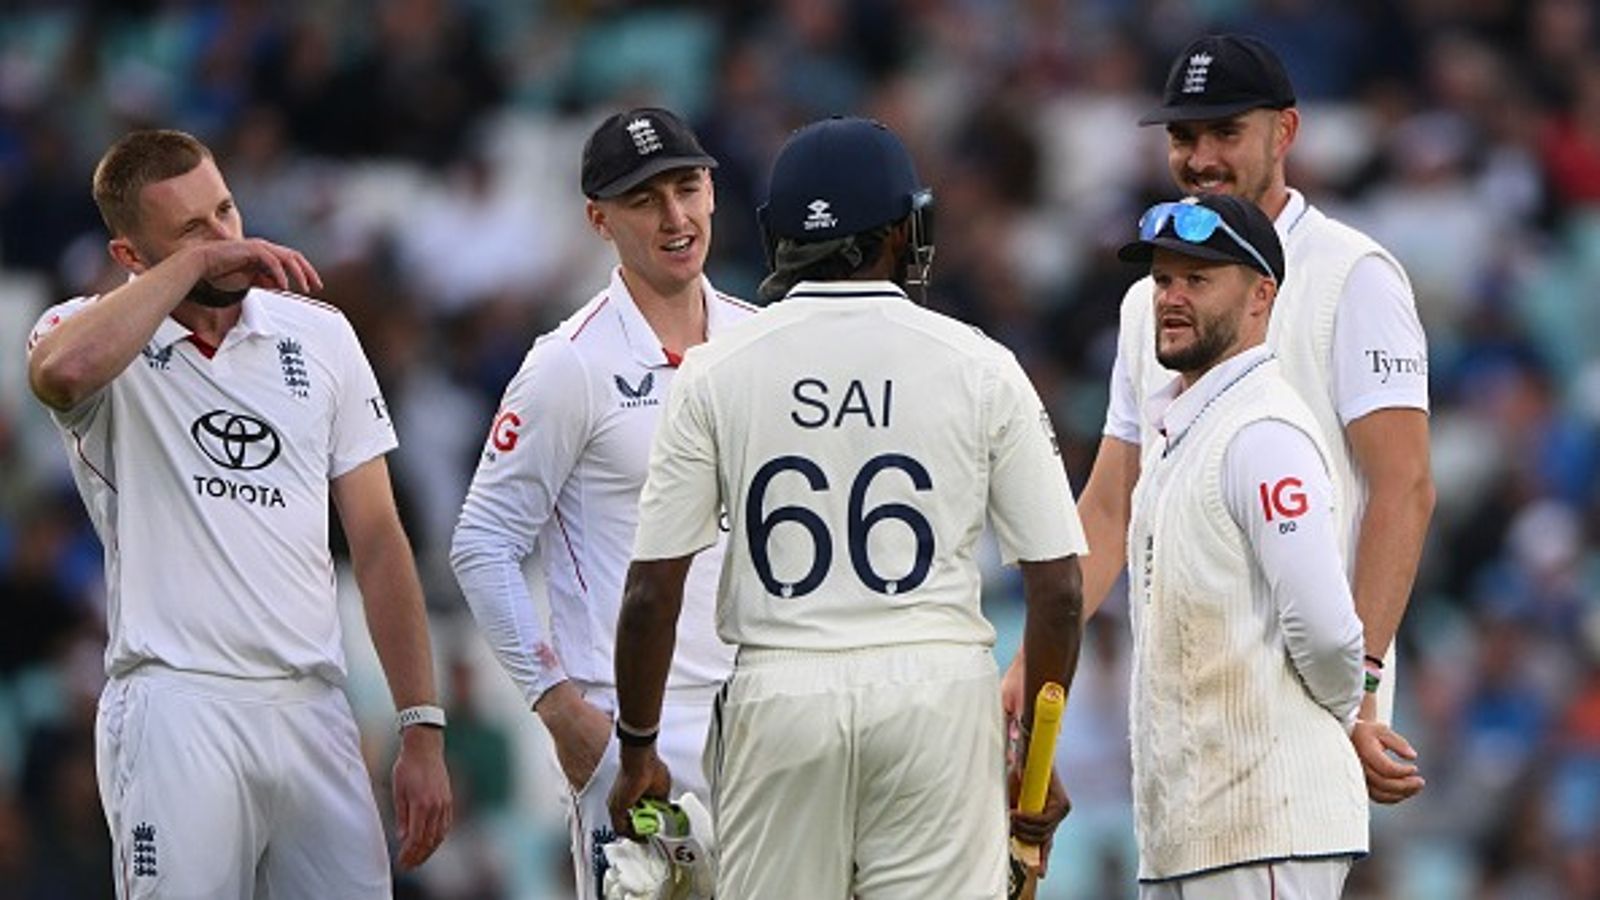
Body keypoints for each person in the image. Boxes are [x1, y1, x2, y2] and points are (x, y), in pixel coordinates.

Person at [607, 116, 1087, 899]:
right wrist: (1032, 757)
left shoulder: (712, 371)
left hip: (779, 693)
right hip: (937, 693)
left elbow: (651, 593)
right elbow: (1061, 588)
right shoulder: (981, 364)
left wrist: (638, 754)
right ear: (904, 231)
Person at [1005, 33, 1434, 804]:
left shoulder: (1351, 274)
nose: (1201, 157)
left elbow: (1403, 487)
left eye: (1225, 132)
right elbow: (1109, 505)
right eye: (1184, 136)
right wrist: (1033, 664)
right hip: (1181, 717)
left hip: (1299, 712)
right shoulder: (1151, 299)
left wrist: (1360, 689)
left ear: (1286, 132)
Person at [25, 129, 452, 898]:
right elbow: (58, 375)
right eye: (190, 229)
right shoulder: (89, 333)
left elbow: (381, 541)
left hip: (314, 704)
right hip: (176, 701)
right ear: (132, 256)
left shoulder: (320, 336)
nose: (226, 239)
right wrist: (191, 268)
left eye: (225, 211)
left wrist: (420, 723)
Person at [449, 106, 755, 900]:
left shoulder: (762, 345)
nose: (676, 217)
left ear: (713, 192)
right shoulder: (569, 364)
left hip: (762, 713)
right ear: (599, 220)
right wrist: (557, 706)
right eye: (645, 201)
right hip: (634, 729)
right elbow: (481, 542)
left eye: (687, 188)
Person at [1117, 193, 1368, 898]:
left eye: (1198, 280)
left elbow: (1326, 632)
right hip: (1195, 837)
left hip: (1262, 828)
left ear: (1263, 295)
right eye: (1164, 280)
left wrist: (1345, 713)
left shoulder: (1263, 434)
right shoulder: (1186, 427)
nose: (1171, 297)